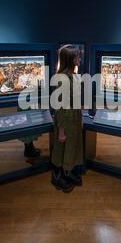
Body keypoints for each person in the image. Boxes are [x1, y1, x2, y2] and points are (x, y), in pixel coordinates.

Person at [51, 45, 83, 193]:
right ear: (70, 59)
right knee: (63, 147)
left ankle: (67, 172)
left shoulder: (72, 75)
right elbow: (61, 106)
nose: (79, 59)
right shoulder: (63, 79)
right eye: (77, 56)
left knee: (71, 147)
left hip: (73, 116)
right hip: (66, 118)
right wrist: (61, 131)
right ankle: (58, 176)